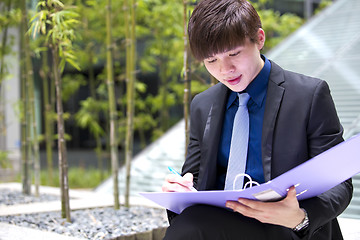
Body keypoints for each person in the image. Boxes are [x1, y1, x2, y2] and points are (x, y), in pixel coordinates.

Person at [161, 0, 353, 239]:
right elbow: (196, 177)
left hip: (286, 227)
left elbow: (339, 183)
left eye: (234, 53)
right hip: (221, 222)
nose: (225, 69)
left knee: (191, 229)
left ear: (259, 39)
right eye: (211, 61)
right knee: (189, 225)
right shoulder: (203, 104)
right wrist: (181, 190)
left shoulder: (309, 95)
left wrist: (300, 216)